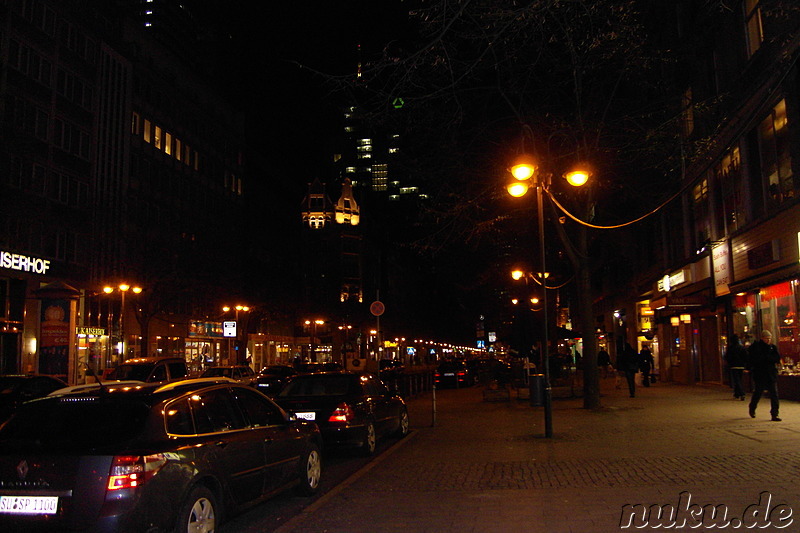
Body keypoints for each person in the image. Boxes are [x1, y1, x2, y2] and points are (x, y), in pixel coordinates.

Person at [747, 330, 781, 421]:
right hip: (760, 374)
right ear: (762, 338)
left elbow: (777, 358)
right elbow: (756, 359)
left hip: (771, 374)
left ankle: (775, 414)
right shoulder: (756, 347)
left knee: (774, 394)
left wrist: (768, 359)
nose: (769, 340)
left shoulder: (773, 347)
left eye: (770, 338)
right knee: (758, 392)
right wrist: (768, 359)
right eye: (767, 338)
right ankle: (752, 407)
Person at [724, 334, 748, 400]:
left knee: (736, 380)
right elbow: (746, 356)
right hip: (741, 366)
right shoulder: (742, 348)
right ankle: (737, 393)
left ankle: (741, 393)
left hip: (733, 366)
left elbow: (727, 357)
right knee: (739, 379)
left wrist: (729, 363)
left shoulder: (731, 348)